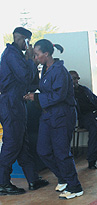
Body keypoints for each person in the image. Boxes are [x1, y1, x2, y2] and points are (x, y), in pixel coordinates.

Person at [23, 39, 83, 199]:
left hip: (62, 115)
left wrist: (36, 98)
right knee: (42, 150)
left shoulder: (59, 71)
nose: (35, 57)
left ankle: (75, 187)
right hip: (48, 115)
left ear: (46, 54)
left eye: (36, 55)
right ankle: (63, 177)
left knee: (62, 152)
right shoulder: (45, 69)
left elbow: (59, 95)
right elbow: (42, 87)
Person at [0, 27, 49, 195]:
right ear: (23, 39)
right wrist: (31, 60)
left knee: (22, 144)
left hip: (17, 103)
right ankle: (3, 183)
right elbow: (26, 77)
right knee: (12, 143)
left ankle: (33, 179)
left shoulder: (16, 55)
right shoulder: (12, 55)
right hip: (10, 104)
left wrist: (29, 61)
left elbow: (31, 83)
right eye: (28, 41)